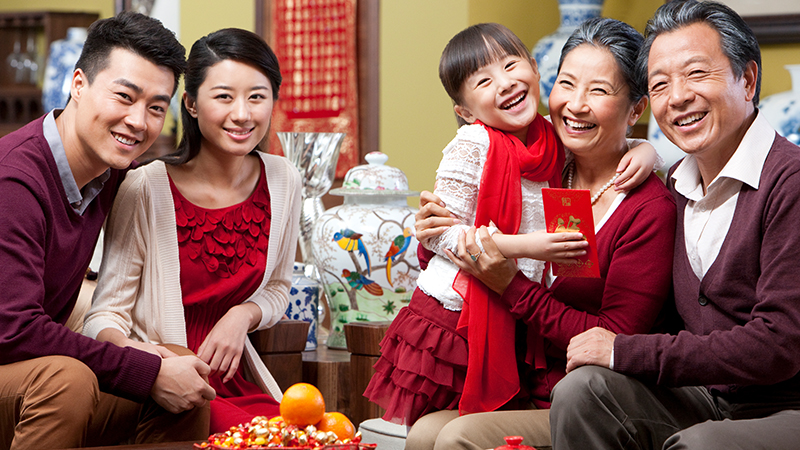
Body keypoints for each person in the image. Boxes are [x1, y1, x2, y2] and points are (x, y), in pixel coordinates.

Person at [363, 22, 660, 428]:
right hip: (474, 333)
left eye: (598, 90)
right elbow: (447, 234)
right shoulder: (554, 159)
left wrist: (648, 149)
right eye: (568, 84)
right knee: (421, 434)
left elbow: (612, 336)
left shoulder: (631, 198)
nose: (575, 105)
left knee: (448, 437)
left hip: (571, 387)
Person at [548, 2, 800, 449]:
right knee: (581, 392)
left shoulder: (789, 182)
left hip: (786, 405)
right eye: (660, 84)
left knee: (700, 446)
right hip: (707, 397)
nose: (677, 97)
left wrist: (623, 350)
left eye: (696, 74)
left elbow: (779, 343)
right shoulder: (676, 185)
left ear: (747, 79)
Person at [0, 12, 216, 450]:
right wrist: (141, 370)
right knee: (67, 379)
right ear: (78, 85)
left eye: (156, 107)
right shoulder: (14, 181)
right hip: (17, 361)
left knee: (182, 377)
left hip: (25, 369)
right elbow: (14, 330)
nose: (139, 121)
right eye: (124, 96)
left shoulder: (113, 174)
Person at [82, 28, 301, 434]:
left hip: (239, 382)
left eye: (257, 96)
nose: (242, 114)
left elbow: (278, 288)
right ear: (191, 104)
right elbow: (104, 316)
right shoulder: (145, 186)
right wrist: (150, 363)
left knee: (331, 437)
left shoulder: (284, 179)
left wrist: (241, 316)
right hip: (168, 385)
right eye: (224, 96)